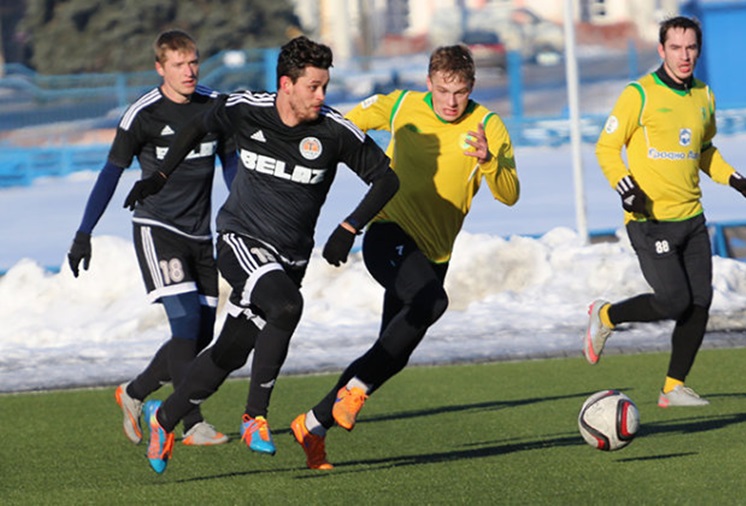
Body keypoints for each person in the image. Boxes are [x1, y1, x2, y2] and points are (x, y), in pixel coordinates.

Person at [122, 35, 399, 474]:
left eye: (325, 86)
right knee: (287, 306)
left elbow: (386, 179)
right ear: (286, 84)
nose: (321, 96)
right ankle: (255, 417)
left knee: (228, 353)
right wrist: (159, 176)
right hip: (240, 239)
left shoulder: (333, 130)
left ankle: (164, 418)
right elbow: (196, 126)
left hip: (289, 260)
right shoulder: (246, 108)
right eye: (313, 86)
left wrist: (349, 227)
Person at [289, 44, 520, 470]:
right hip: (388, 233)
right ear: (428, 83)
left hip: (435, 255)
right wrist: (298, 141)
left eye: (460, 92)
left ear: (472, 87)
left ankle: (313, 424)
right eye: (443, 91)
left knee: (392, 353)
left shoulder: (489, 126)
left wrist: (489, 161)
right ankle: (353, 392)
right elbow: (342, 125)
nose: (451, 102)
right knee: (432, 302)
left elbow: (509, 195)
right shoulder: (400, 106)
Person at [67, 29, 236, 446]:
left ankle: (135, 392)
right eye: (179, 65)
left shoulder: (214, 107)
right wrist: (84, 233)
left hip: (201, 234)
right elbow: (111, 173)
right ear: (160, 68)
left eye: (193, 62)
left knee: (200, 335)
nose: (189, 71)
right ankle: (191, 422)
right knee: (185, 321)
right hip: (157, 229)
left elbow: (231, 165)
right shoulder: (142, 114)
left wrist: (245, 215)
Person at [585, 16, 746, 407]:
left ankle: (673, 386)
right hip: (651, 221)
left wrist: (733, 178)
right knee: (674, 301)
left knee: (700, 302)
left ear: (699, 50)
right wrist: (625, 187)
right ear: (661, 50)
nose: (684, 56)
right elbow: (606, 148)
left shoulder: (704, 96)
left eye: (691, 48)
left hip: (692, 219)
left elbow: (704, 150)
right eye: (676, 48)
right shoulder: (639, 94)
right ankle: (606, 316)